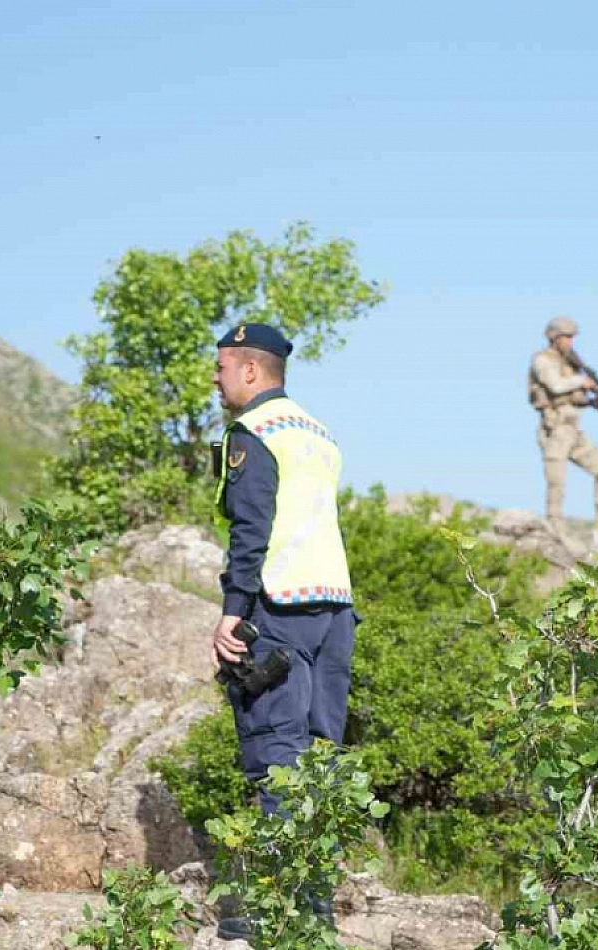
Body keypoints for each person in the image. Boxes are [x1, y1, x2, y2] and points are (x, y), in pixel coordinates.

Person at [208, 322, 358, 940]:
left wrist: (230, 610)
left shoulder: (253, 434)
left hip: (279, 612)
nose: (215, 381)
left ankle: (282, 910)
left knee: (277, 757)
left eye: (220, 369)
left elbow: (252, 530)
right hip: (335, 612)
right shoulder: (317, 434)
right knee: (320, 761)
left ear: (249, 370)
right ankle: (315, 906)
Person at [528, 315, 598, 543]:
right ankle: (555, 528)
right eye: (566, 337)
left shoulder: (570, 365)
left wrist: (593, 401)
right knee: (557, 482)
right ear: (554, 337)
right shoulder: (543, 361)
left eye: (572, 337)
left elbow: (573, 398)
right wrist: (582, 382)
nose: (570, 342)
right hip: (554, 430)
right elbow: (555, 386)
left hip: (573, 431)